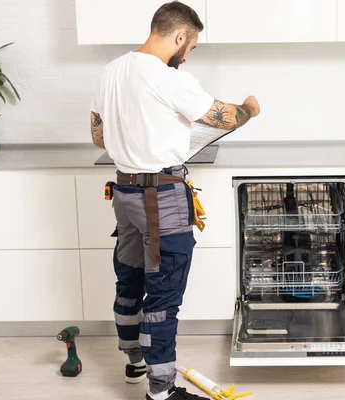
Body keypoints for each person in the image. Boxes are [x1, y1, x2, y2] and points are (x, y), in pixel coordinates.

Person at [89, 2, 260, 399]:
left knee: (128, 280)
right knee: (164, 295)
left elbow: (99, 137)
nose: (188, 54)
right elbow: (226, 117)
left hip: (125, 194)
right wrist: (250, 107)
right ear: (180, 36)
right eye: (192, 46)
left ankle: (134, 363)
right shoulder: (167, 78)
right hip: (162, 200)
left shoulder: (110, 71)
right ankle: (162, 391)